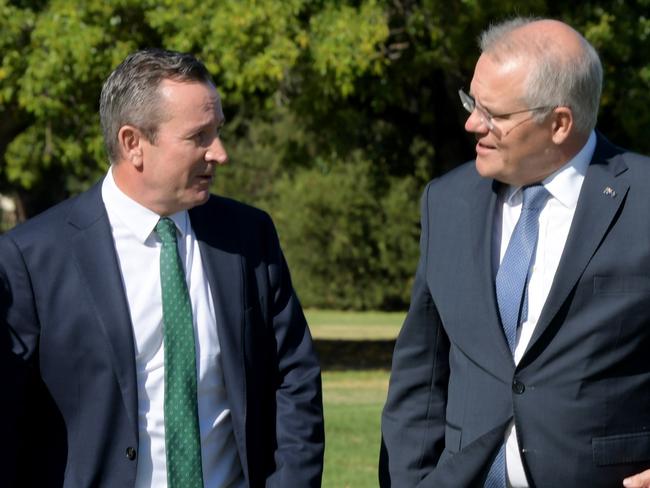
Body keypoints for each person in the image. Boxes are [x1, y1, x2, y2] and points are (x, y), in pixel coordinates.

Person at [0, 48, 324, 487]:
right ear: (133, 143)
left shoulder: (249, 235)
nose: (220, 153)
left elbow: (294, 377)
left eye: (219, 132)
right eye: (199, 137)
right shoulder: (31, 257)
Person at [379, 17, 650, 488]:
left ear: (559, 123)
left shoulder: (644, 200)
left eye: (495, 115)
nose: (471, 124)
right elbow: (421, 369)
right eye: (472, 103)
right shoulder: (446, 201)